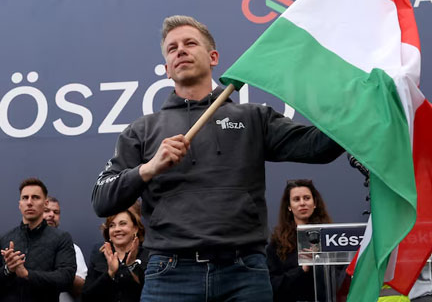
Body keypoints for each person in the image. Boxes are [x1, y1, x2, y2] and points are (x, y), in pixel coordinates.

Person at [91, 15, 343, 301]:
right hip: (169, 274)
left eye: (190, 43)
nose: (180, 50)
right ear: (167, 69)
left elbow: (318, 147)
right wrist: (148, 168)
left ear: (213, 57)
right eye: (172, 48)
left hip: (244, 272)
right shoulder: (142, 130)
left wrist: (358, 107)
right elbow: (102, 199)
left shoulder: (253, 117)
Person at [0, 178, 76, 302]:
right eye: (25, 198)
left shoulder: (61, 238)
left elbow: (66, 278)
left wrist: (27, 274)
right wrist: (8, 269)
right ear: (19, 204)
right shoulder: (2, 238)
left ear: (45, 203)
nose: (29, 202)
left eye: (35, 197)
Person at [266, 179, 332, 302]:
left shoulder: (330, 237)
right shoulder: (277, 243)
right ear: (289, 206)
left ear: (315, 203)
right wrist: (303, 269)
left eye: (307, 198)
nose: (302, 203)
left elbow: (340, 277)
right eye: (296, 199)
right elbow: (273, 285)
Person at [82, 201, 148, 302]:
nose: (117, 229)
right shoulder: (99, 255)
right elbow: (86, 297)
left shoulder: (147, 254)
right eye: (112, 225)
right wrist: (110, 273)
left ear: (135, 228)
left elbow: (154, 293)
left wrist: (132, 266)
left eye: (123, 224)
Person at [44, 196, 88, 302]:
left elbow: (82, 289)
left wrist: (63, 273)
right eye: (46, 211)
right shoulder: (24, 246)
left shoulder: (72, 249)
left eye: (56, 212)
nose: (51, 215)